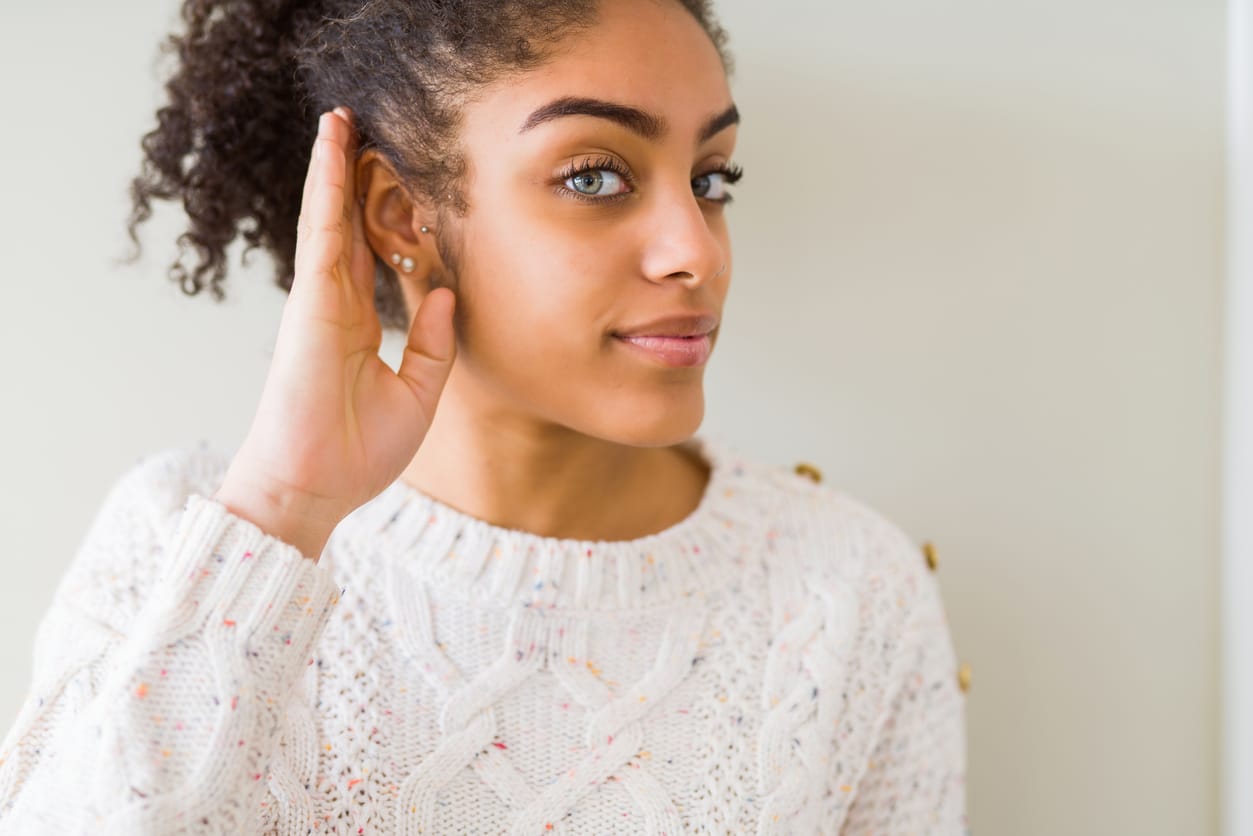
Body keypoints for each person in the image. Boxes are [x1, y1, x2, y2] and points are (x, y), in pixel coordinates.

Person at [0, 0, 969, 832]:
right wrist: (283, 507)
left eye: (710, 178)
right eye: (595, 175)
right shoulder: (185, 536)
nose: (695, 251)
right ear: (400, 215)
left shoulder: (844, 588)